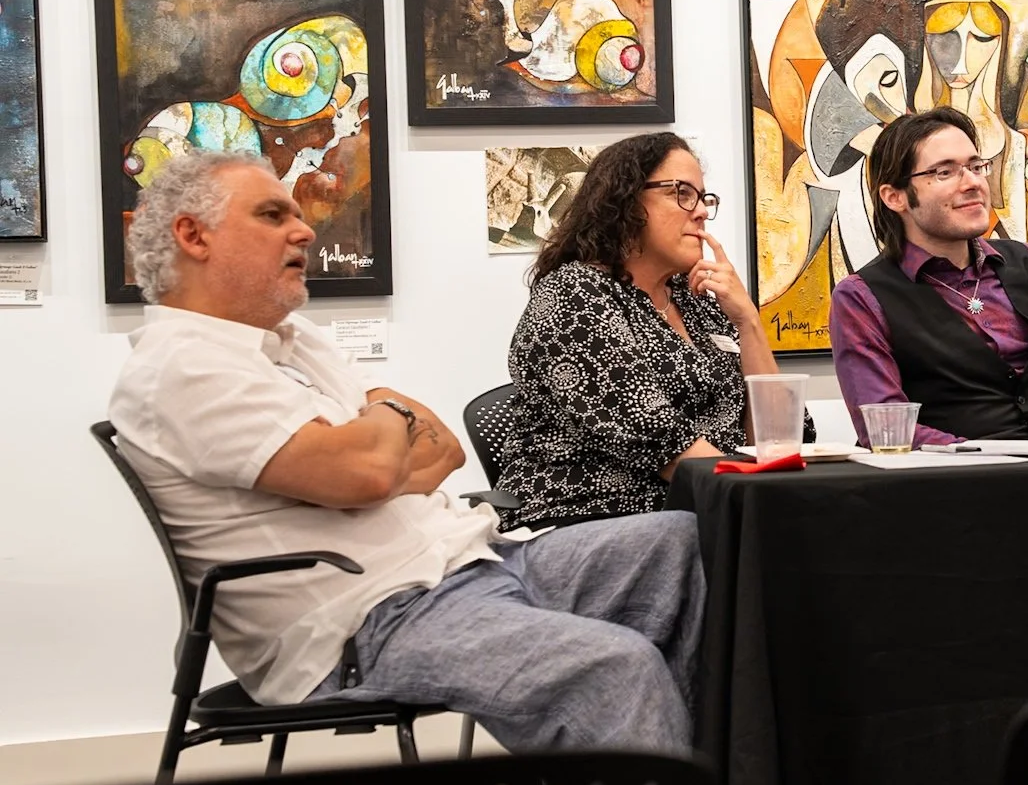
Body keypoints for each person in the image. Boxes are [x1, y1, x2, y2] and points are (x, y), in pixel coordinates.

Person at [106, 152, 707, 752]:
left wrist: (364, 448)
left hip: (471, 561)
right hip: (367, 620)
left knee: (687, 540)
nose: (305, 229)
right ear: (194, 235)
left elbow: (438, 451)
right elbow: (371, 468)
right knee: (614, 667)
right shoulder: (178, 366)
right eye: (271, 214)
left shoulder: (293, 342)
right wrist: (388, 417)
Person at [497, 132, 803, 529]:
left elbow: (780, 438)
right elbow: (659, 443)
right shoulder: (574, 295)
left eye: (703, 198)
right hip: (593, 516)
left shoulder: (695, 302)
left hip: (703, 509)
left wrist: (748, 322)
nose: (701, 213)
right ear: (624, 201)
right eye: (682, 193)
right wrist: (758, 503)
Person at [829, 106, 1028, 448]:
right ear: (895, 197)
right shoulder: (862, 298)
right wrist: (988, 461)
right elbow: (885, 427)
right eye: (944, 172)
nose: (972, 183)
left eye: (975, 166)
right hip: (959, 485)